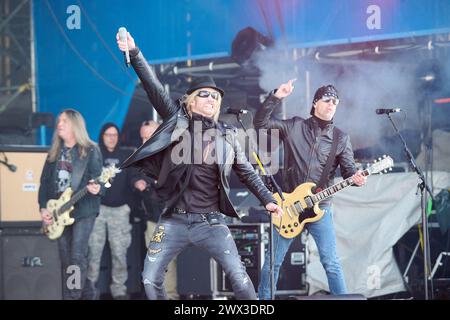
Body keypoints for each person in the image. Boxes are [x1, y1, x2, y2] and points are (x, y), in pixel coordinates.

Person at [116, 31, 283, 300]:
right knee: (150, 279)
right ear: (190, 101)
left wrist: (268, 200)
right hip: (174, 221)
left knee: (241, 280)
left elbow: (248, 172)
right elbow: (154, 87)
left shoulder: (227, 136)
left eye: (215, 97)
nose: (211, 99)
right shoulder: (177, 122)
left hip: (211, 222)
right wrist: (135, 54)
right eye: (204, 94)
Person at [254, 81, 367, 299]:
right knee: (272, 262)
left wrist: (356, 178)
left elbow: (348, 172)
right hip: (288, 207)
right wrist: (276, 96)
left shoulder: (340, 138)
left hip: (320, 208)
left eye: (335, 101)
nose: (332, 104)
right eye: (327, 100)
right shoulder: (295, 125)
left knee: (331, 262)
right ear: (315, 103)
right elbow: (260, 123)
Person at [39, 109, 102, 300]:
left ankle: (72, 296)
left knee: (76, 256)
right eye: (58, 121)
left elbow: (99, 180)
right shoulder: (54, 153)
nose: (59, 124)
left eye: (64, 121)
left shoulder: (90, 149)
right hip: (59, 211)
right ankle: (89, 292)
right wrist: (43, 208)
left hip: (84, 210)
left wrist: (97, 188)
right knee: (67, 259)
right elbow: (44, 184)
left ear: (75, 124)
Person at [85, 123, 135, 300]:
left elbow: (133, 178)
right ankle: (90, 290)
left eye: (115, 135)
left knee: (119, 252)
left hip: (120, 211)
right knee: (94, 252)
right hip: (98, 210)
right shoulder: (95, 155)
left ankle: (119, 290)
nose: (112, 138)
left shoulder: (125, 156)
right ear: (102, 136)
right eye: (108, 135)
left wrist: (138, 185)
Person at [131, 119, 179, 300]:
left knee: (169, 259)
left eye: (148, 137)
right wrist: (137, 181)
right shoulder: (140, 155)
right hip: (152, 216)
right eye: (142, 138)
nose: (144, 142)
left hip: (172, 216)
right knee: (154, 259)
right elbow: (132, 175)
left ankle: (172, 297)